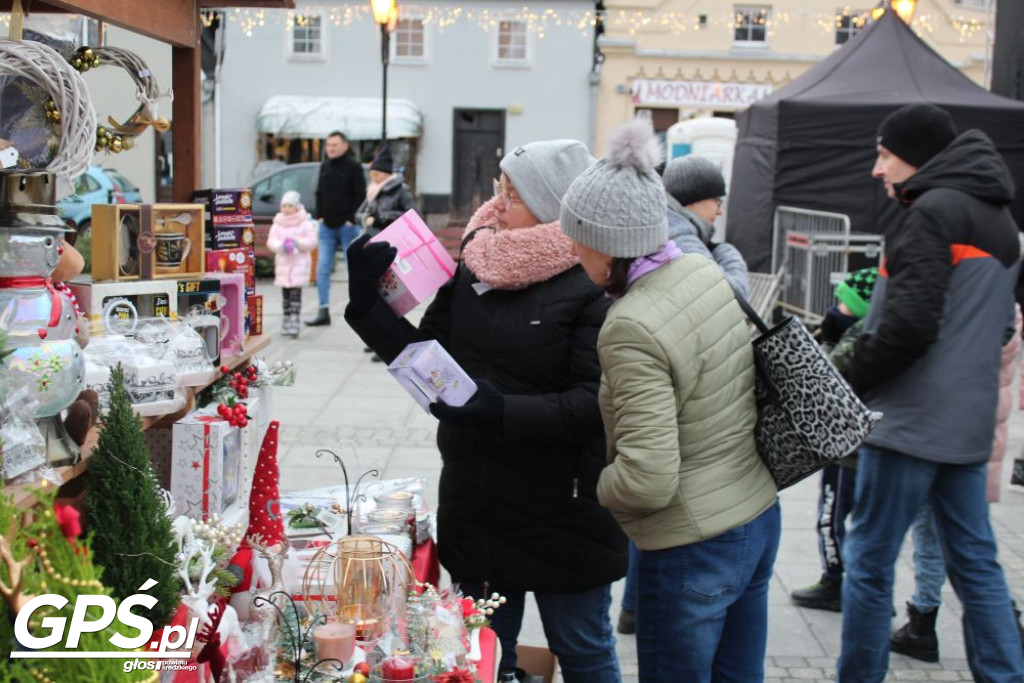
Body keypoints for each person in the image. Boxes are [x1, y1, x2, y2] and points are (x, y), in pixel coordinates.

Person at [344, 140, 628, 681]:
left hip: (566, 513)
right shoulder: (476, 265)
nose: (497, 205)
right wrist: (367, 307)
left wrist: (495, 410)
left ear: (555, 207)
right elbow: (425, 360)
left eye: (515, 194)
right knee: (483, 655)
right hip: (479, 505)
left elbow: (593, 405)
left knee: (584, 648)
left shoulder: (593, 279)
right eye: (499, 188)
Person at [560, 117, 779, 682]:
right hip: (755, 513)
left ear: (608, 246)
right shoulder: (702, 274)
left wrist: (592, 487)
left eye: (577, 239)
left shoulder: (630, 324)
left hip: (693, 541)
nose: (573, 251)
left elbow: (648, 478)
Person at [837, 102, 1024, 681]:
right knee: (977, 565)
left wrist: (846, 377)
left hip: (909, 425)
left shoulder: (932, 212)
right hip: (965, 426)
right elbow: (999, 330)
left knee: (868, 561)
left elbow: (908, 328)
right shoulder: (1003, 224)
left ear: (915, 157)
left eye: (885, 155)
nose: (877, 169)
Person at [615, 154, 754, 636]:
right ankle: (633, 605)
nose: (718, 210)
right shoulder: (692, 247)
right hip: (727, 505)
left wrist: (605, 484)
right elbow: (648, 477)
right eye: (717, 200)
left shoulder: (633, 316)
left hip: (701, 512)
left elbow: (646, 472)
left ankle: (633, 604)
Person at [790, 268, 878, 612]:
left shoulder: (855, 340)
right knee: (860, 522)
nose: (836, 307)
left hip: (847, 451)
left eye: (845, 302)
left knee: (832, 517)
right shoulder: (880, 338)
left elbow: (825, 383)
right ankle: (859, 585)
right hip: (866, 448)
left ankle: (835, 581)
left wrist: (827, 341)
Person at [662, 154, 750, 297]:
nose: (720, 211)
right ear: (693, 197)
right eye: (717, 202)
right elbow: (735, 296)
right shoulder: (682, 241)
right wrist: (726, 251)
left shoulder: (670, 229)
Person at [307, 130, 366, 327]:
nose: (330, 148)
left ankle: (359, 310)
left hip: (347, 227)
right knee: (322, 268)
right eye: (328, 145)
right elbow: (319, 192)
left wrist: (351, 219)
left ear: (344, 146)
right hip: (326, 227)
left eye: (334, 145)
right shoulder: (325, 166)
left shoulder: (353, 167)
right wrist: (319, 215)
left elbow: (360, 195)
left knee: (354, 270)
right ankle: (323, 310)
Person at [266, 190, 318, 338]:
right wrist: (280, 246)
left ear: (297, 207)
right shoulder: (278, 223)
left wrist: (298, 243)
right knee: (286, 296)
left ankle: (295, 321)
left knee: (295, 295)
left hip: (299, 264)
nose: (287, 209)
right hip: (283, 263)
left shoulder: (305, 223)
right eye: (284, 206)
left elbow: (312, 241)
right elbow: (271, 240)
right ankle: (286, 320)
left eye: (290, 205)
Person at [355, 146, 416, 238]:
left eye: (376, 174)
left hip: (396, 236)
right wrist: (366, 218)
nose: (373, 177)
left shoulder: (401, 189)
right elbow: (358, 214)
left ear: (386, 173)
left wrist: (382, 218)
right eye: (371, 174)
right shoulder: (372, 190)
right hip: (373, 235)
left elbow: (413, 215)